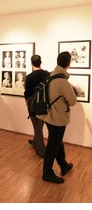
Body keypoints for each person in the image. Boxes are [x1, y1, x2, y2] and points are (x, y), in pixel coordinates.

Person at [38, 51, 77, 183]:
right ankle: (47, 173)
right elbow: (73, 101)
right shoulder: (62, 81)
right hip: (58, 118)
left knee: (56, 141)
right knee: (53, 145)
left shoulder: (51, 75)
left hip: (48, 116)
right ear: (68, 63)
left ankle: (64, 165)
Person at [24, 55, 49, 158]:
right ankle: (35, 141)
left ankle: (42, 150)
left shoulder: (29, 77)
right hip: (45, 105)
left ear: (31, 63)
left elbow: (27, 94)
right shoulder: (47, 74)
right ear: (41, 62)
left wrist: (27, 106)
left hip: (33, 105)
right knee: (39, 126)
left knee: (37, 127)